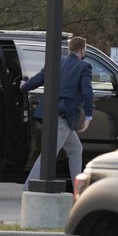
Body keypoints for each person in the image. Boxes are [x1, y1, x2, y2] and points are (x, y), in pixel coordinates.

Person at [20, 36, 93, 191]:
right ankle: (28, 189)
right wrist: (88, 116)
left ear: (69, 49)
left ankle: (78, 190)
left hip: (49, 114)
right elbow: (87, 92)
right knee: (48, 154)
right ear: (82, 49)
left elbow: (39, 79)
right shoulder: (84, 67)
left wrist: (23, 87)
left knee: (75, 149)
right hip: (63, 117)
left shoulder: (57, 61)